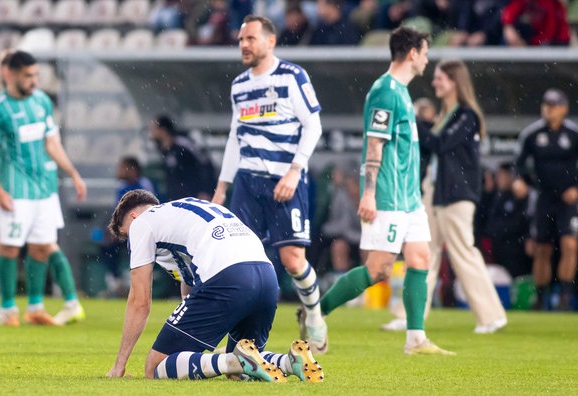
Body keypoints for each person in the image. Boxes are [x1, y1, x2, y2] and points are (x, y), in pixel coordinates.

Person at [317, 27, 455, 355]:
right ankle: (315, 312)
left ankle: (415, 338)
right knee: (378, 269)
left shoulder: (403, 92)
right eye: (423, 52)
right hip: (389, 195)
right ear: (411, 53)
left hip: (410, 198)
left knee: (421, 258)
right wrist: (369, 193)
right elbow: (375, 144)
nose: (426, 59)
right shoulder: (385, 91)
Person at [105, 190, 323, 382]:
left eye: (126, 235)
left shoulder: (141, 224)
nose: (130, 242)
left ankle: (234, 360)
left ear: (133, 216)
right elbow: (189, 277)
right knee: (241, 371)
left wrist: (119, 366)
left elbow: (139, 301)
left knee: (154, 367)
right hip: (266, 277)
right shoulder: (187, 208)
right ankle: (289, 361)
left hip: (227, 277)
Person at [212, 15, 328, 354]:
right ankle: (241, 338)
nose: (244, 44)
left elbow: (314, 125)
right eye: (240, 40)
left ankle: (315, 316)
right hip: (248, 183)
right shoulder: (239, 85)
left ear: (271, 41)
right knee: (241, 261)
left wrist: (294, 171)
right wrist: (222, 189)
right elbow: (235, 137)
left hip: (285, 180)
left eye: (250, 38)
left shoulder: (293, 77)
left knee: (292, 260)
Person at [382, 59, 508, 334]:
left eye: (440, 78)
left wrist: (411, 119)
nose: (436, 83)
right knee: (423, 253)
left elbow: (440, 144)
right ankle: (409, 316)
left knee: (464, 251)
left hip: (458, 193)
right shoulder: (442, 116)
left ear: (455, 82)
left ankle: (491, 316)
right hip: (434, 190)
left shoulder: (467, 115)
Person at [0, 50, 87, 326]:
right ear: (10, 74)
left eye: (36, 75)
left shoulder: (42, 102)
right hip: (15, 189)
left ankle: (35, 307)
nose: (34, 81)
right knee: (8, 248)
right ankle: (7, 309)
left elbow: (52, 143)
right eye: (28, 75)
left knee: (39, 248)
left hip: (45, 190)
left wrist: (73, 173)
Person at [514, 88, 578, 311]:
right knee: (542, 248)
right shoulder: (532, 135)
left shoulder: (573, 134)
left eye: (553, 106)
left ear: (564, 109)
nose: (548, 110)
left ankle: (564, 296)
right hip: (544, 198)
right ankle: (541, 297)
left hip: (568, 200)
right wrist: (520, 180)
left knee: (570, 244)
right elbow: (519, 164)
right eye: (545, 105)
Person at [149, 114, 215, 201]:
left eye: (154, 128)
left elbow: (205, 164)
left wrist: (205, 191)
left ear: (163, 130)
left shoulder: (184, 145)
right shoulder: (162, 150)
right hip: (176, 199)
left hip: (194, 197)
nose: (151, 132)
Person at [501, 0, 570, 47]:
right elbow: (509, 12)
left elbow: (551, 30)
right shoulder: (524, 2)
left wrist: (530, 46)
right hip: (537, 38)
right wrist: (508, 26)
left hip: (557, 41)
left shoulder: (550, 3)